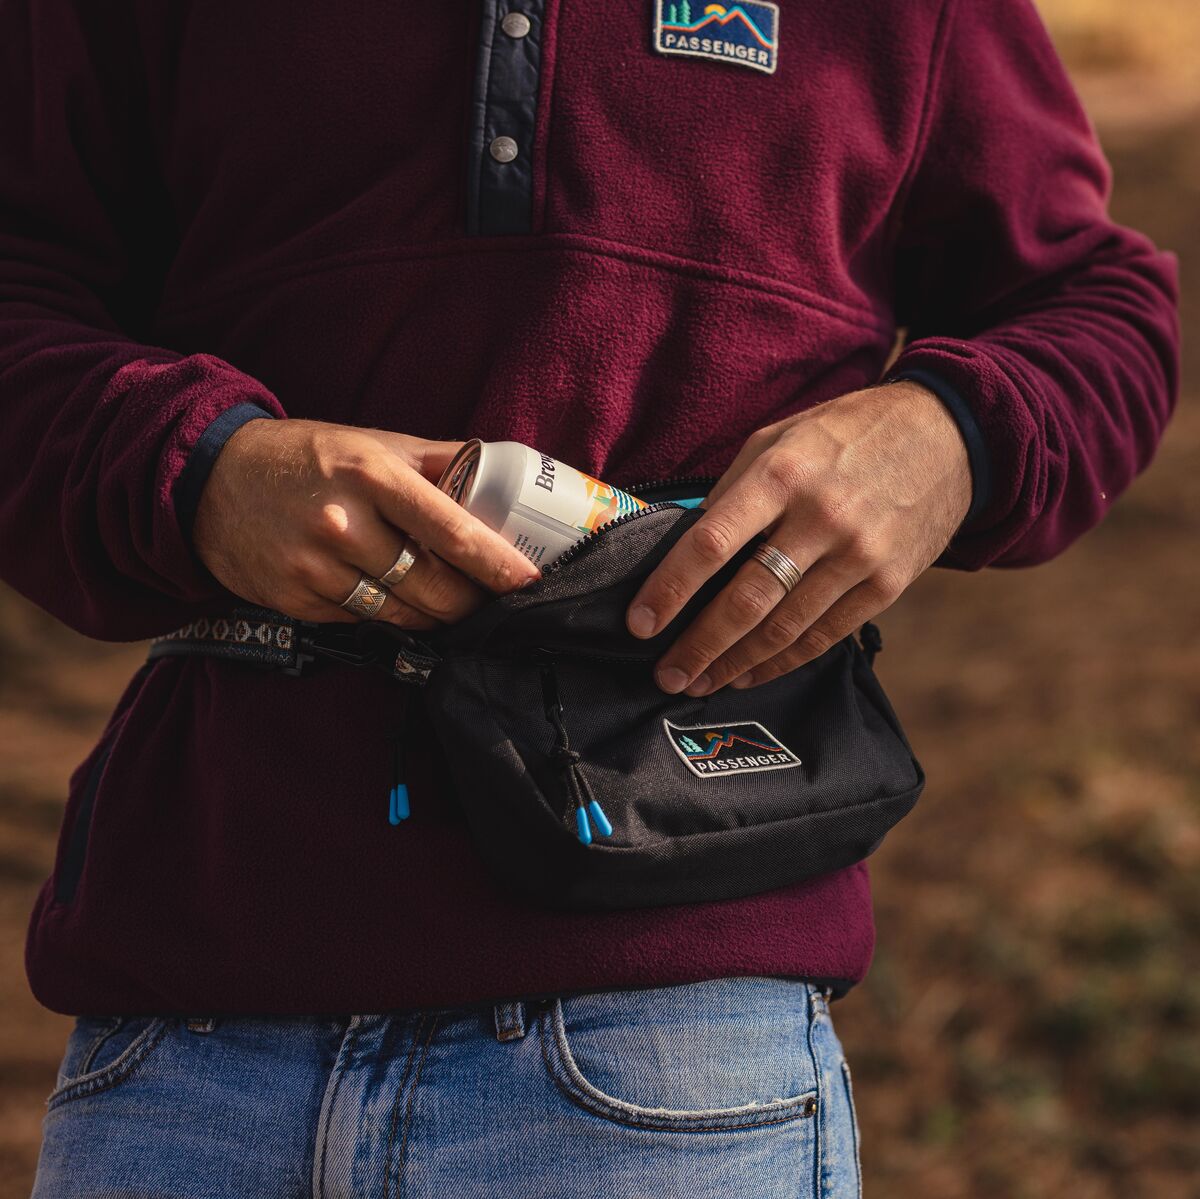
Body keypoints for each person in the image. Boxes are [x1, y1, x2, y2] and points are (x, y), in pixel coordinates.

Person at [1, 0, 1177, 1195]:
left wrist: (947, 435)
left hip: (672, 1028)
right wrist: (200, 470)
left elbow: (1098, 304)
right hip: (190, 1027)